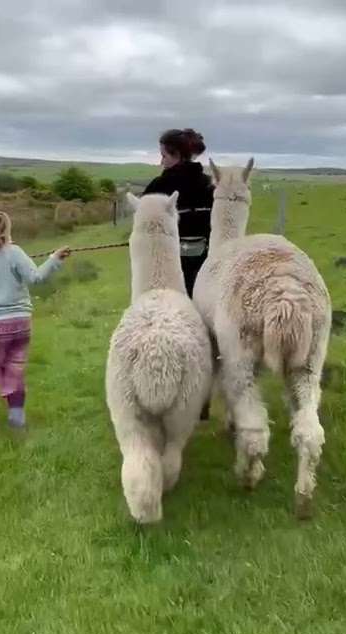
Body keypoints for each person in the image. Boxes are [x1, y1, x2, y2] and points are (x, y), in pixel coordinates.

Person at [0, 206, 71, 431]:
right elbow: (36, 278)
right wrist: (54, 258)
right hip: (20, 325)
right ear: (1, 228)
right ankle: (17, 421)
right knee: (14, 369)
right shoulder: (13, 252)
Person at [142, 128, 215, 419]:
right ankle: (202, 397)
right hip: (205, 268)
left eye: (163, 155)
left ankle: (167, 395)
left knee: (165, 328)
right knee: (202, 332)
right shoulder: (209, 185)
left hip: (166, 269)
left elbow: (145, 228)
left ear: (177, 154)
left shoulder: (159, 186)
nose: (161, 161)